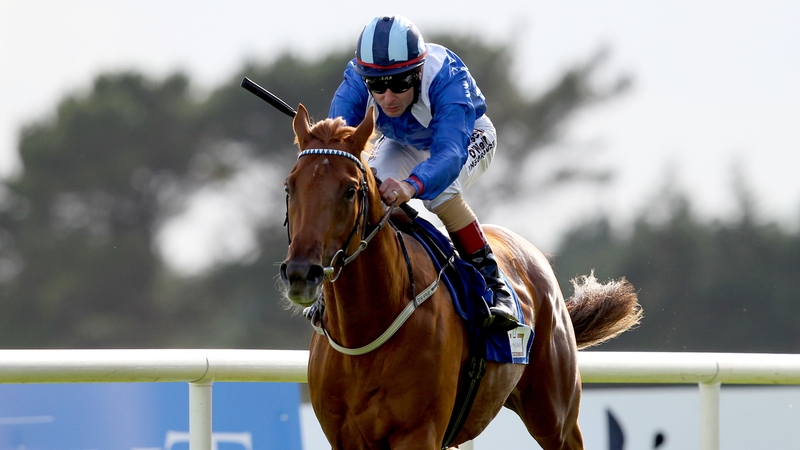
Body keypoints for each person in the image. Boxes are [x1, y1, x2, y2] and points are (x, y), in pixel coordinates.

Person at [328, 15, 519, 331]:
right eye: (377, 86)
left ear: (418, 73)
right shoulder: (356, 80)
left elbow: (449, 154)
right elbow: (340, 147)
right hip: (404, 142)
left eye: (399, 84)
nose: (388, 98)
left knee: (438, 193)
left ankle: (492, 281)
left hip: (466, 138)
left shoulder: (446, 78)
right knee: (365, 189)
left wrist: (410, 186)